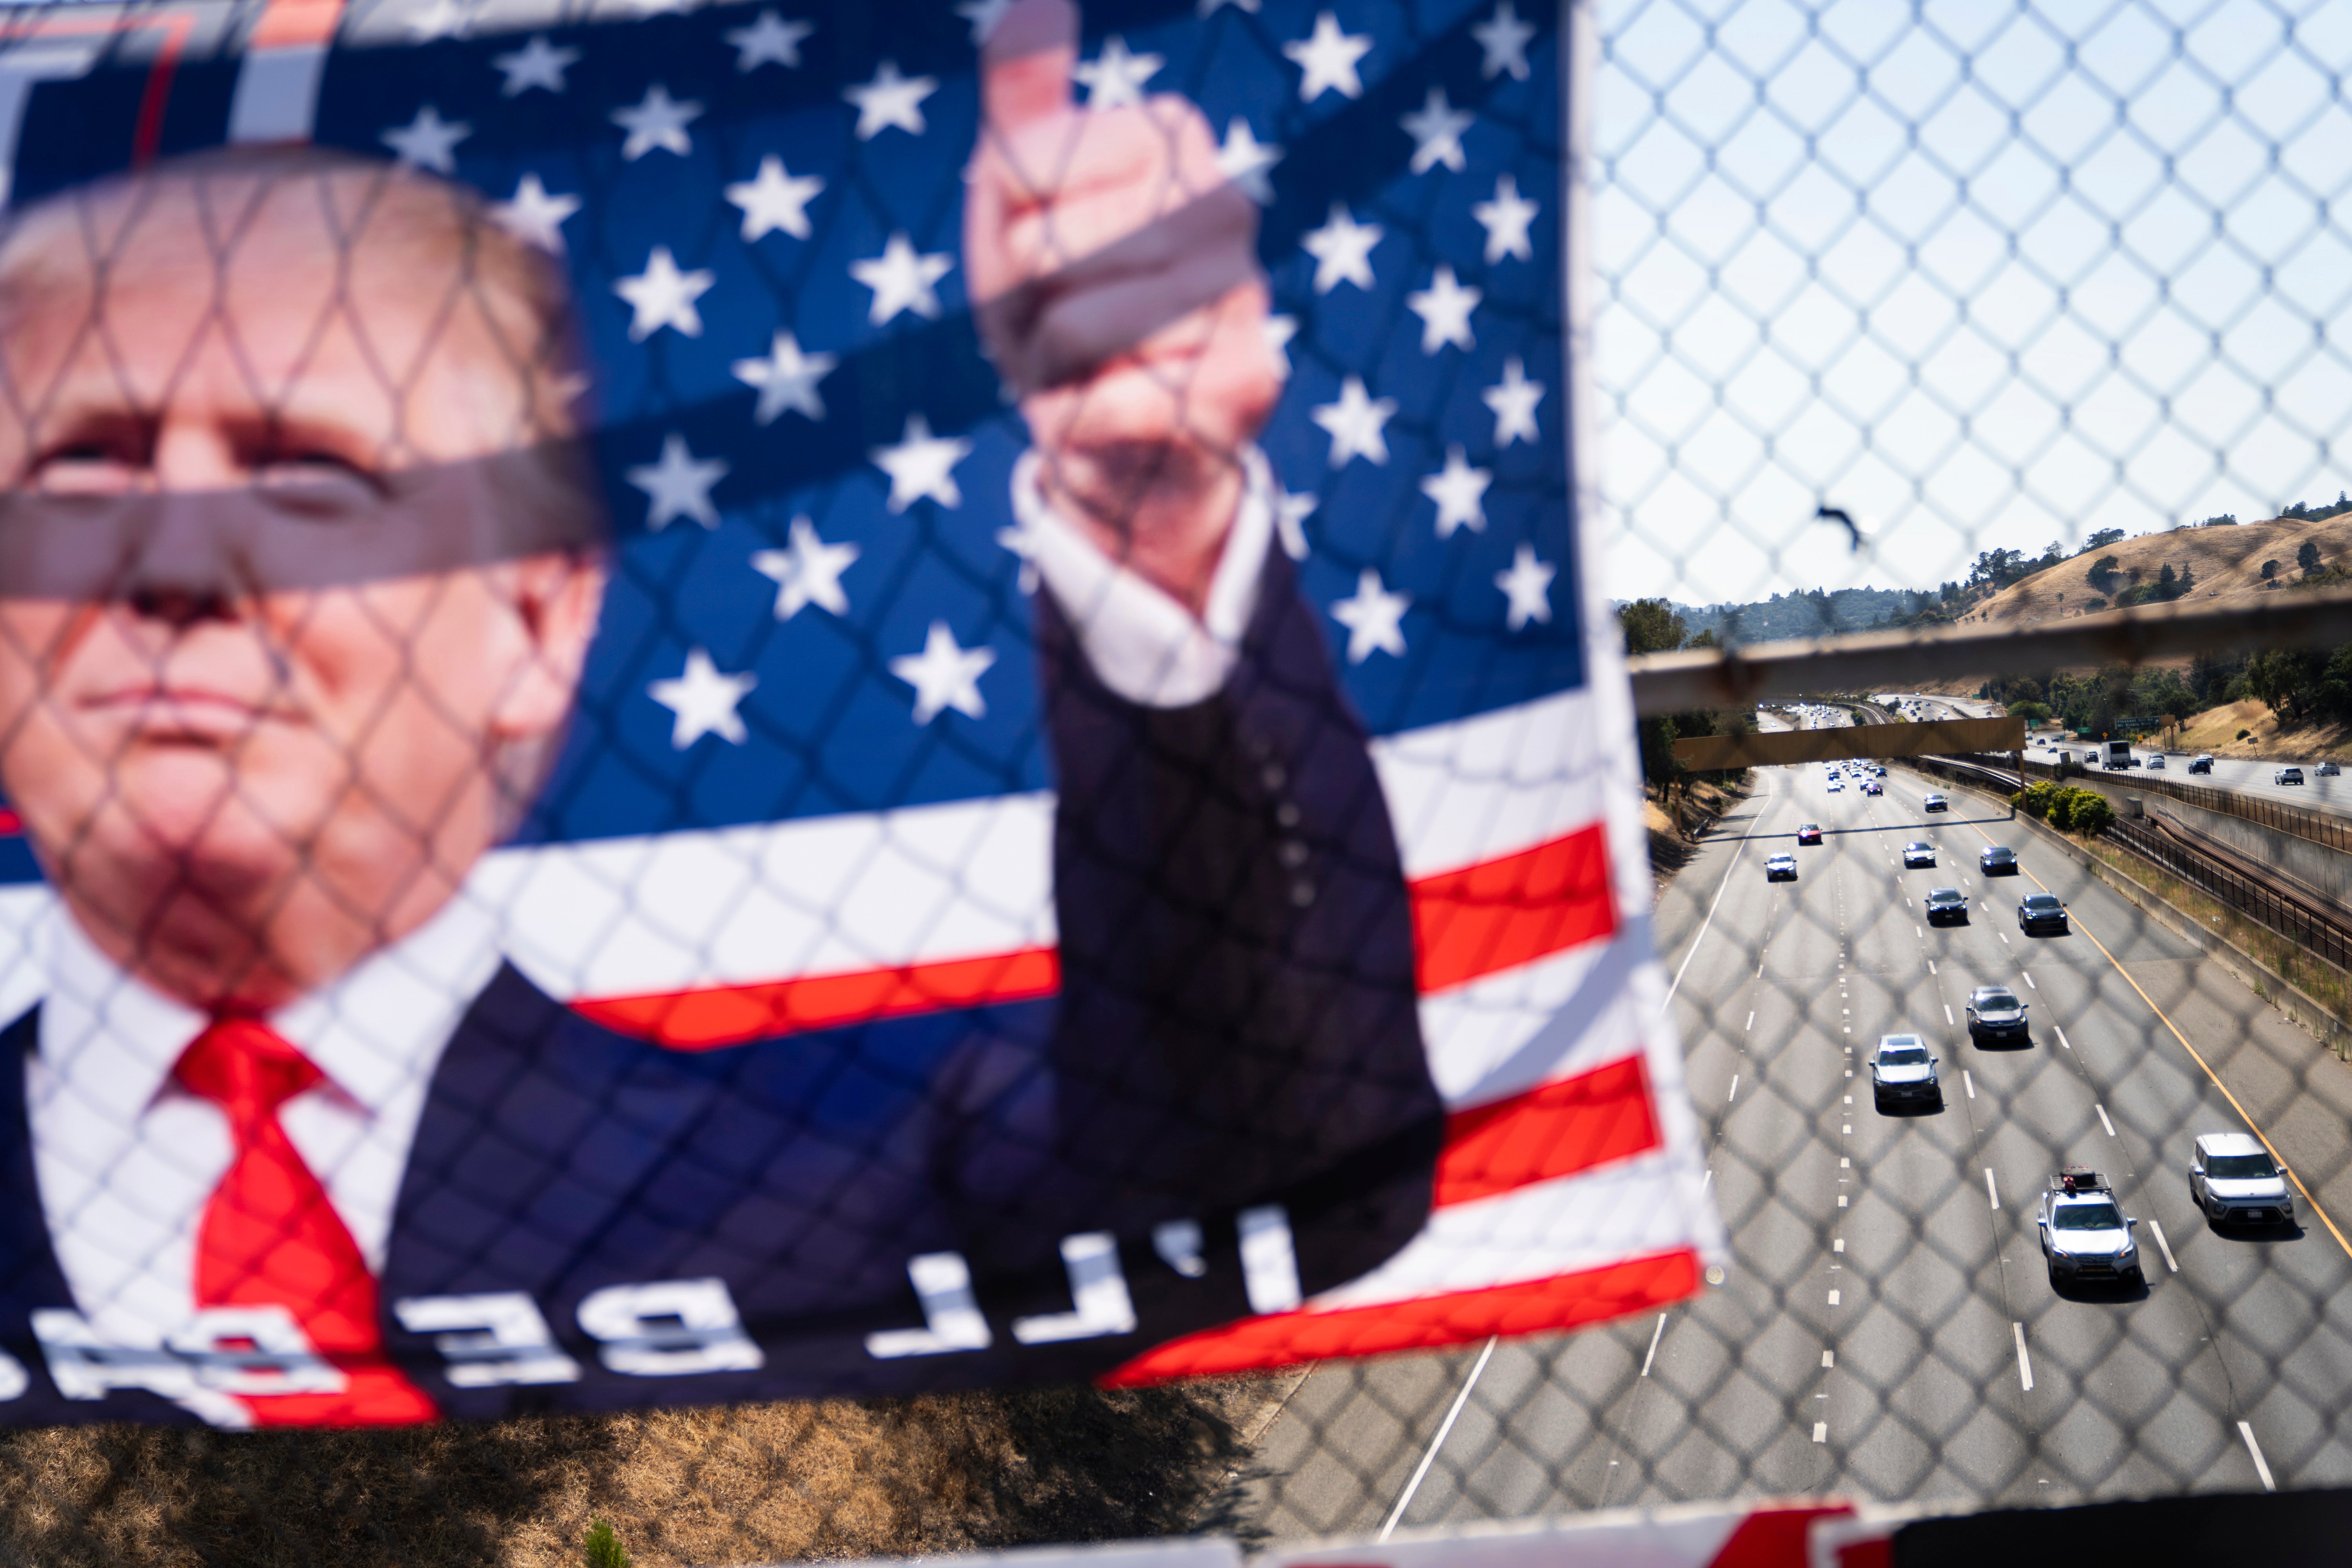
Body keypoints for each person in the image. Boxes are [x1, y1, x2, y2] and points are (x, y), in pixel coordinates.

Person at [0, 6, 1437, 1428]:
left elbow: (1292, 1169)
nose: (174, 562)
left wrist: (1154, 514)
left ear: (538, 625)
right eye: (81, 474)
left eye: (309, 478)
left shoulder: (825, 1160)